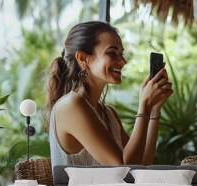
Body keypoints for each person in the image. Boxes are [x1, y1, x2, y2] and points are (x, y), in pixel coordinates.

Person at [47, 21, 173, 167]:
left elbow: (143, 163)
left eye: (122, 54)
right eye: (112, 53)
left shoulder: (108, 113)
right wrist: (144, 106)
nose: (123, 62)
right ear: (83, 58)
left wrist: (154, 109)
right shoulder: (71, 105)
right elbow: (123, 167)